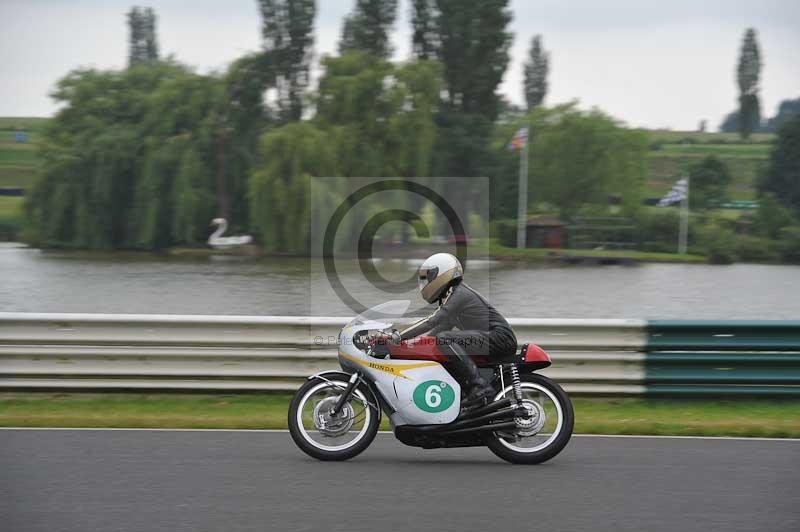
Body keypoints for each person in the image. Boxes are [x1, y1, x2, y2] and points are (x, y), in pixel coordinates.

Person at [389, 253, 518, 405]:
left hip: (500, 338)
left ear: (443, 274)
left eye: (429, 277)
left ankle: (479, 386)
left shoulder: (459, 294)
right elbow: (437, 330)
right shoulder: (453, 296)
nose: (426, 282)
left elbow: (432, 321)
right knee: (442, 342)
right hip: (491, 339)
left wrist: (399, 336)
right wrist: (416, 345)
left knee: (445, 338)